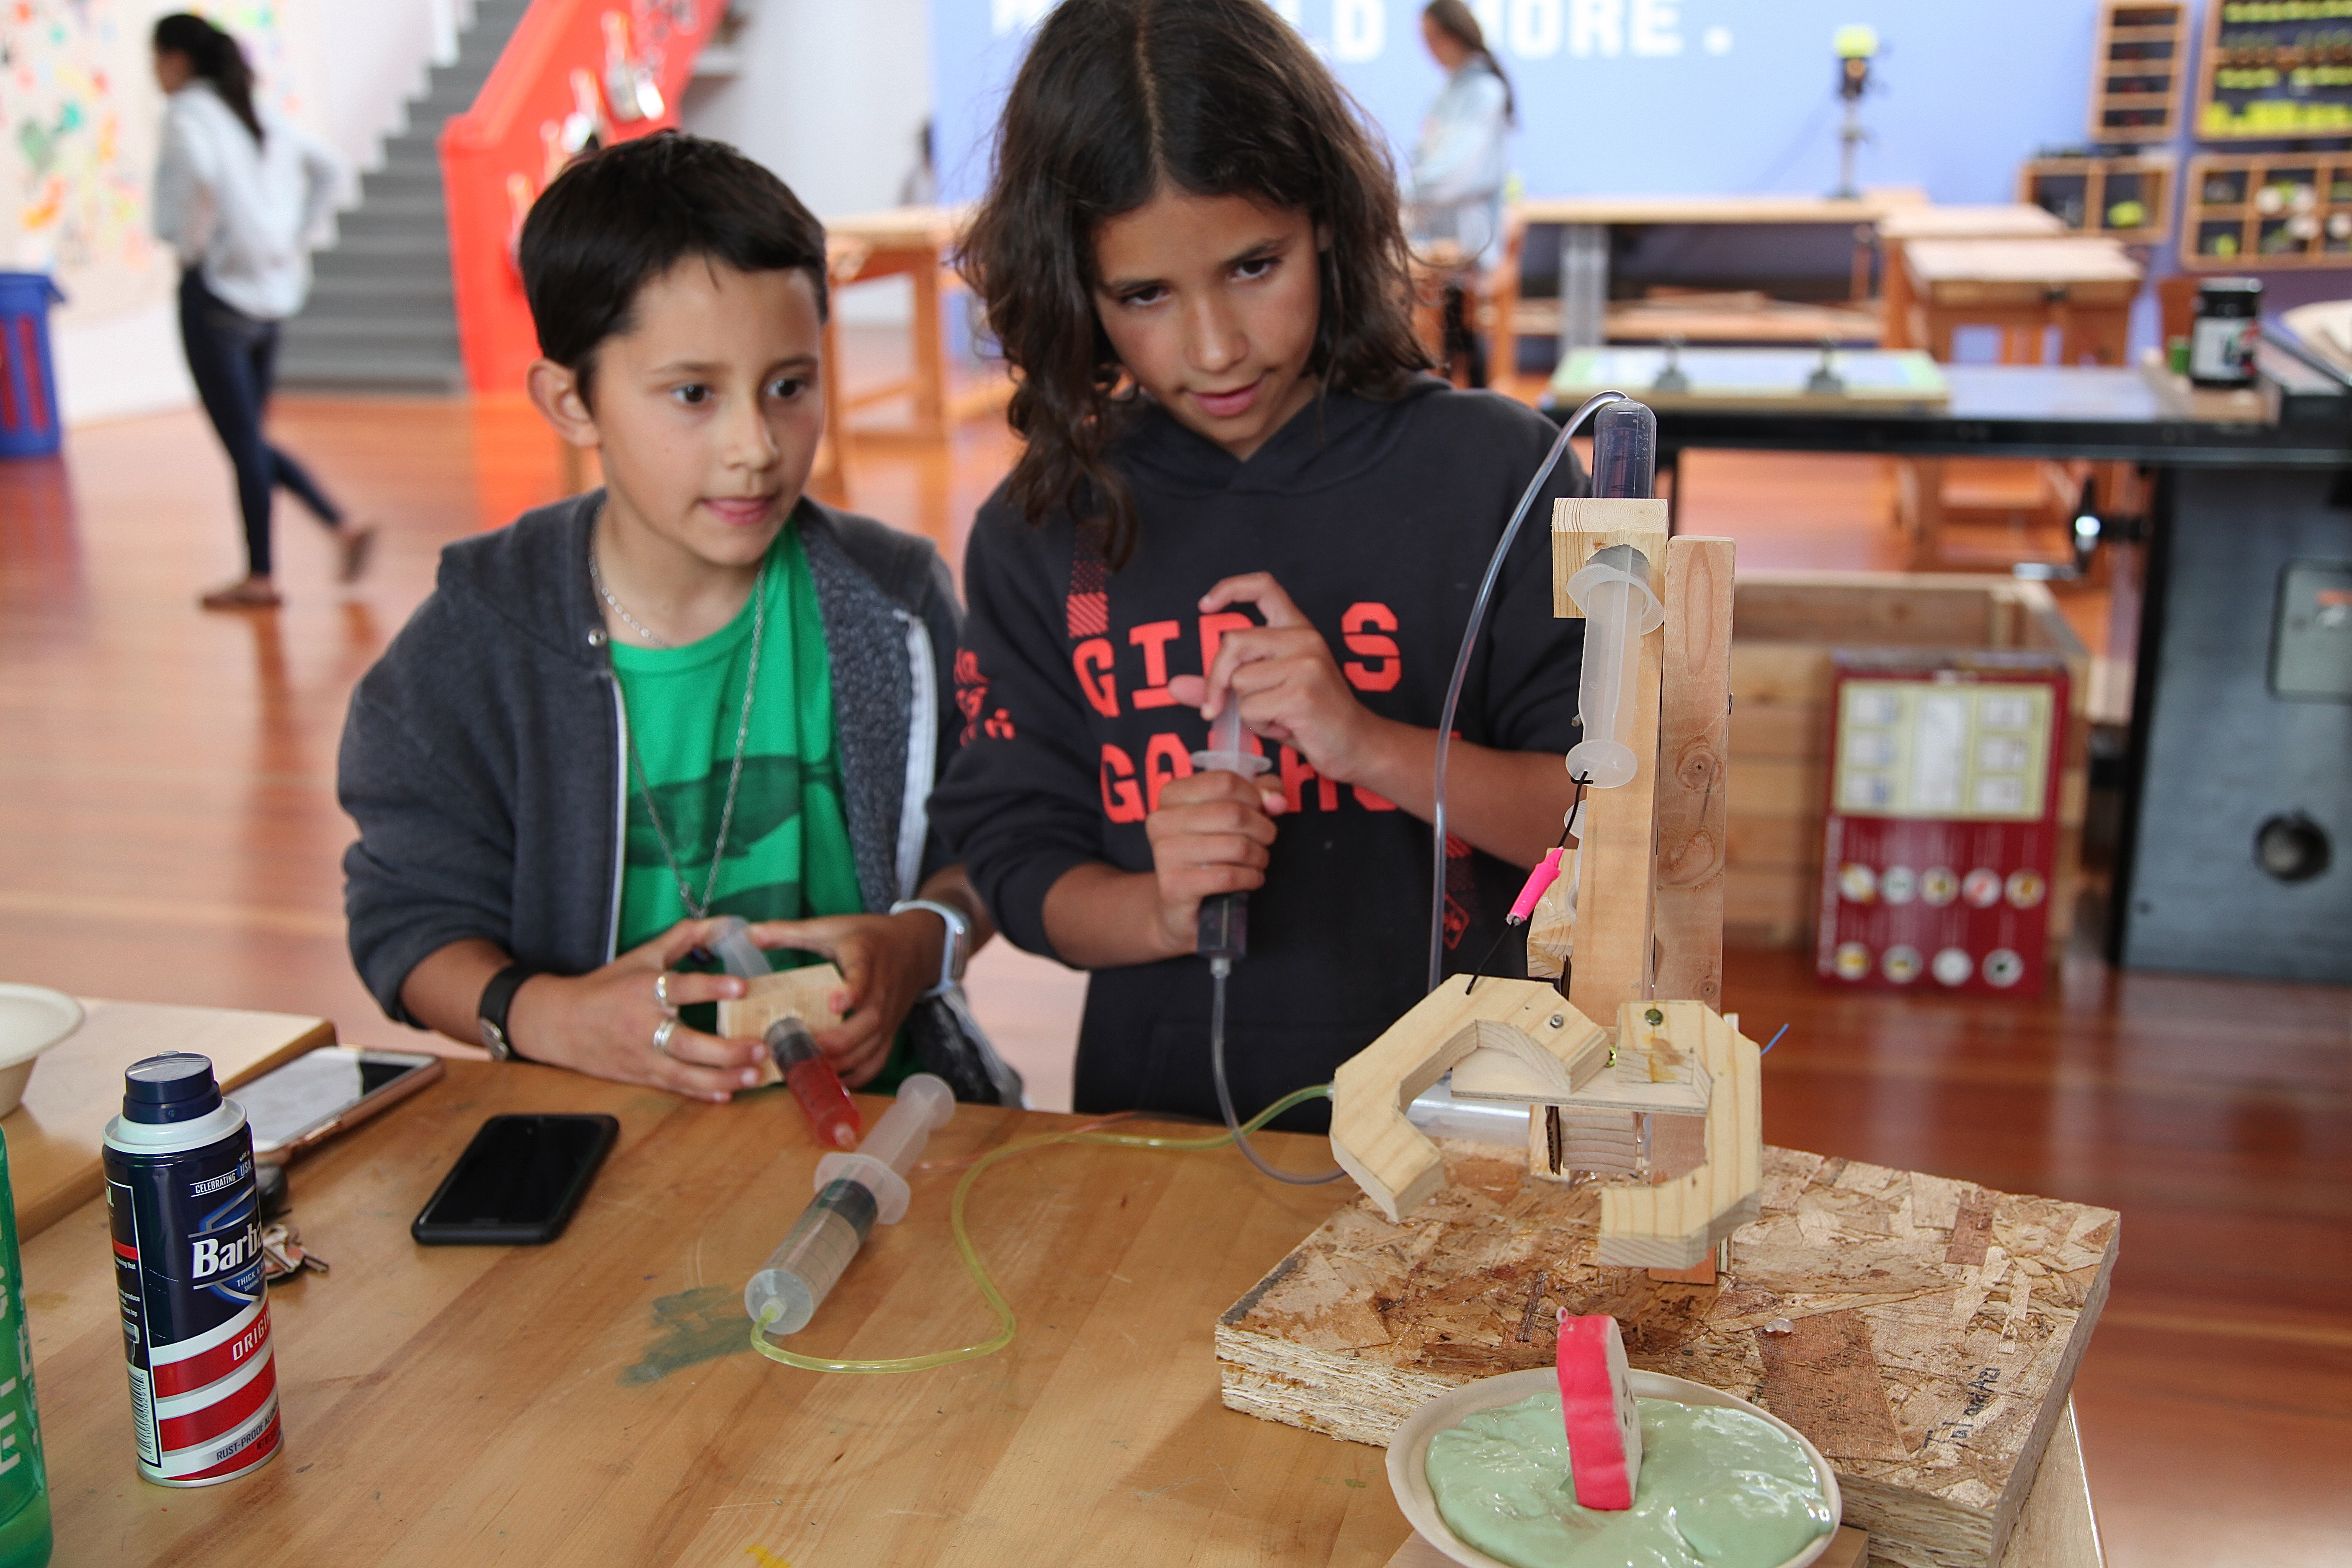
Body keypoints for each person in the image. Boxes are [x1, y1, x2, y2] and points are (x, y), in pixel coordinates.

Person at [931, 0, 1587, 1133]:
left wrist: (1369, 746)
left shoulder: (1494, 475)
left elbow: (1601, 824)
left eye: (1252, 265)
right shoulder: (1040, 534)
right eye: (1144, 295)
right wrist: (1158, 910)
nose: (1215, 346)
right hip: (1173, 1134)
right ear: (1070, 286)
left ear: (1327, 221)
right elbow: (1017, 863)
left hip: (1481, 1121)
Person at [339, 133, 1014, 1106]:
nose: (755, 447)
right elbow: (404, 918)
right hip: (602, 1139)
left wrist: (922, 941)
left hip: (887, 1119)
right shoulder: (476, 642)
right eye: (693, 394)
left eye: (790, 385)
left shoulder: (894, 604)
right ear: (572, 400)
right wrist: (545, 1013)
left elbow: (994, 834)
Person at [150, 13, 374, 611]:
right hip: (271, 298)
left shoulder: (187, 116)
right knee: (249, 437)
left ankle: (261, 576)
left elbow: (197, 177)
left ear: (175, 61)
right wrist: (289, 239)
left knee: (243, 440)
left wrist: (199, 246)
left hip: (216, 295)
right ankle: (340, 525)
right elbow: (329, 170)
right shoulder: (255, 111)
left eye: (155, 62)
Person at [1409, 0, 1516, 388]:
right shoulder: (1450, 90)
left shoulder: (1484, 91)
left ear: (1454, 35)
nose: (1428, 50)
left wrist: (1405, 191)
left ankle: (1461, 391)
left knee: (1452, 319)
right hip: (1437, 230)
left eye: (1432, 39)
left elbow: (1455, 176)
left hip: (1467, 236)